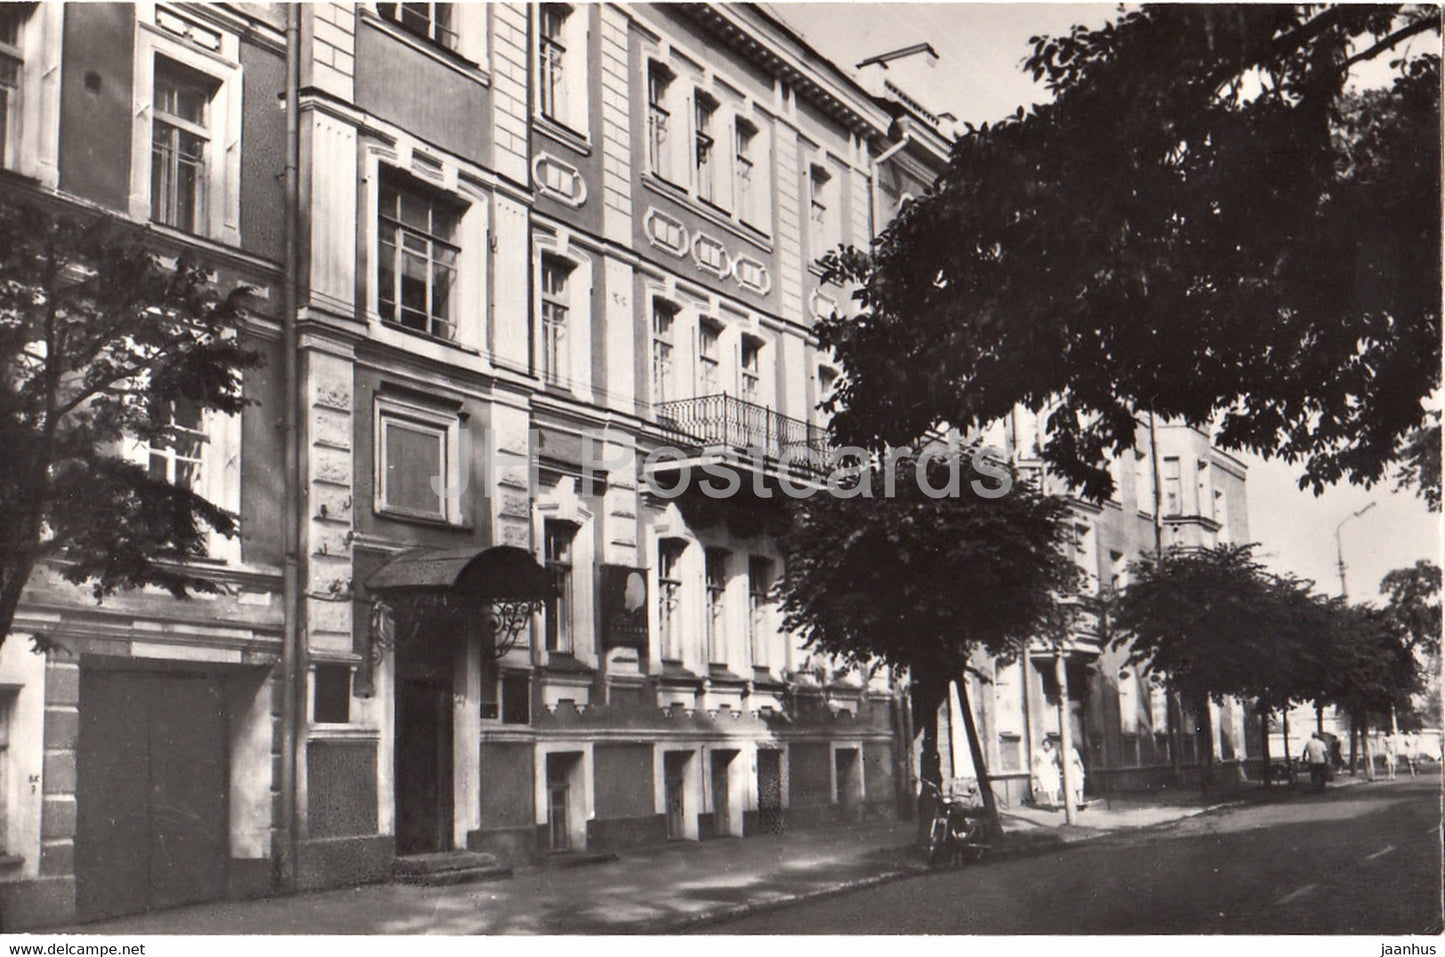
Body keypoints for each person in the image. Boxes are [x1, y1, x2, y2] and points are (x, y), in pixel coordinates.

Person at [1031, 738, 1061, 809]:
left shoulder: (1053, 752)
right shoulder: (1039, 752)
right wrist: (1035, 771)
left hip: (1051, 770)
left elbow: (1054, 762)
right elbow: (1035, 762)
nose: (1046, 746)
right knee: (1048, 787)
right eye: (1044, 744)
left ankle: (1056, 802)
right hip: (1043, 771)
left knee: (1054, 787)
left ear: (1050, 745)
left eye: (1047, 744)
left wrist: (1057, 770)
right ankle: (1052, 804)